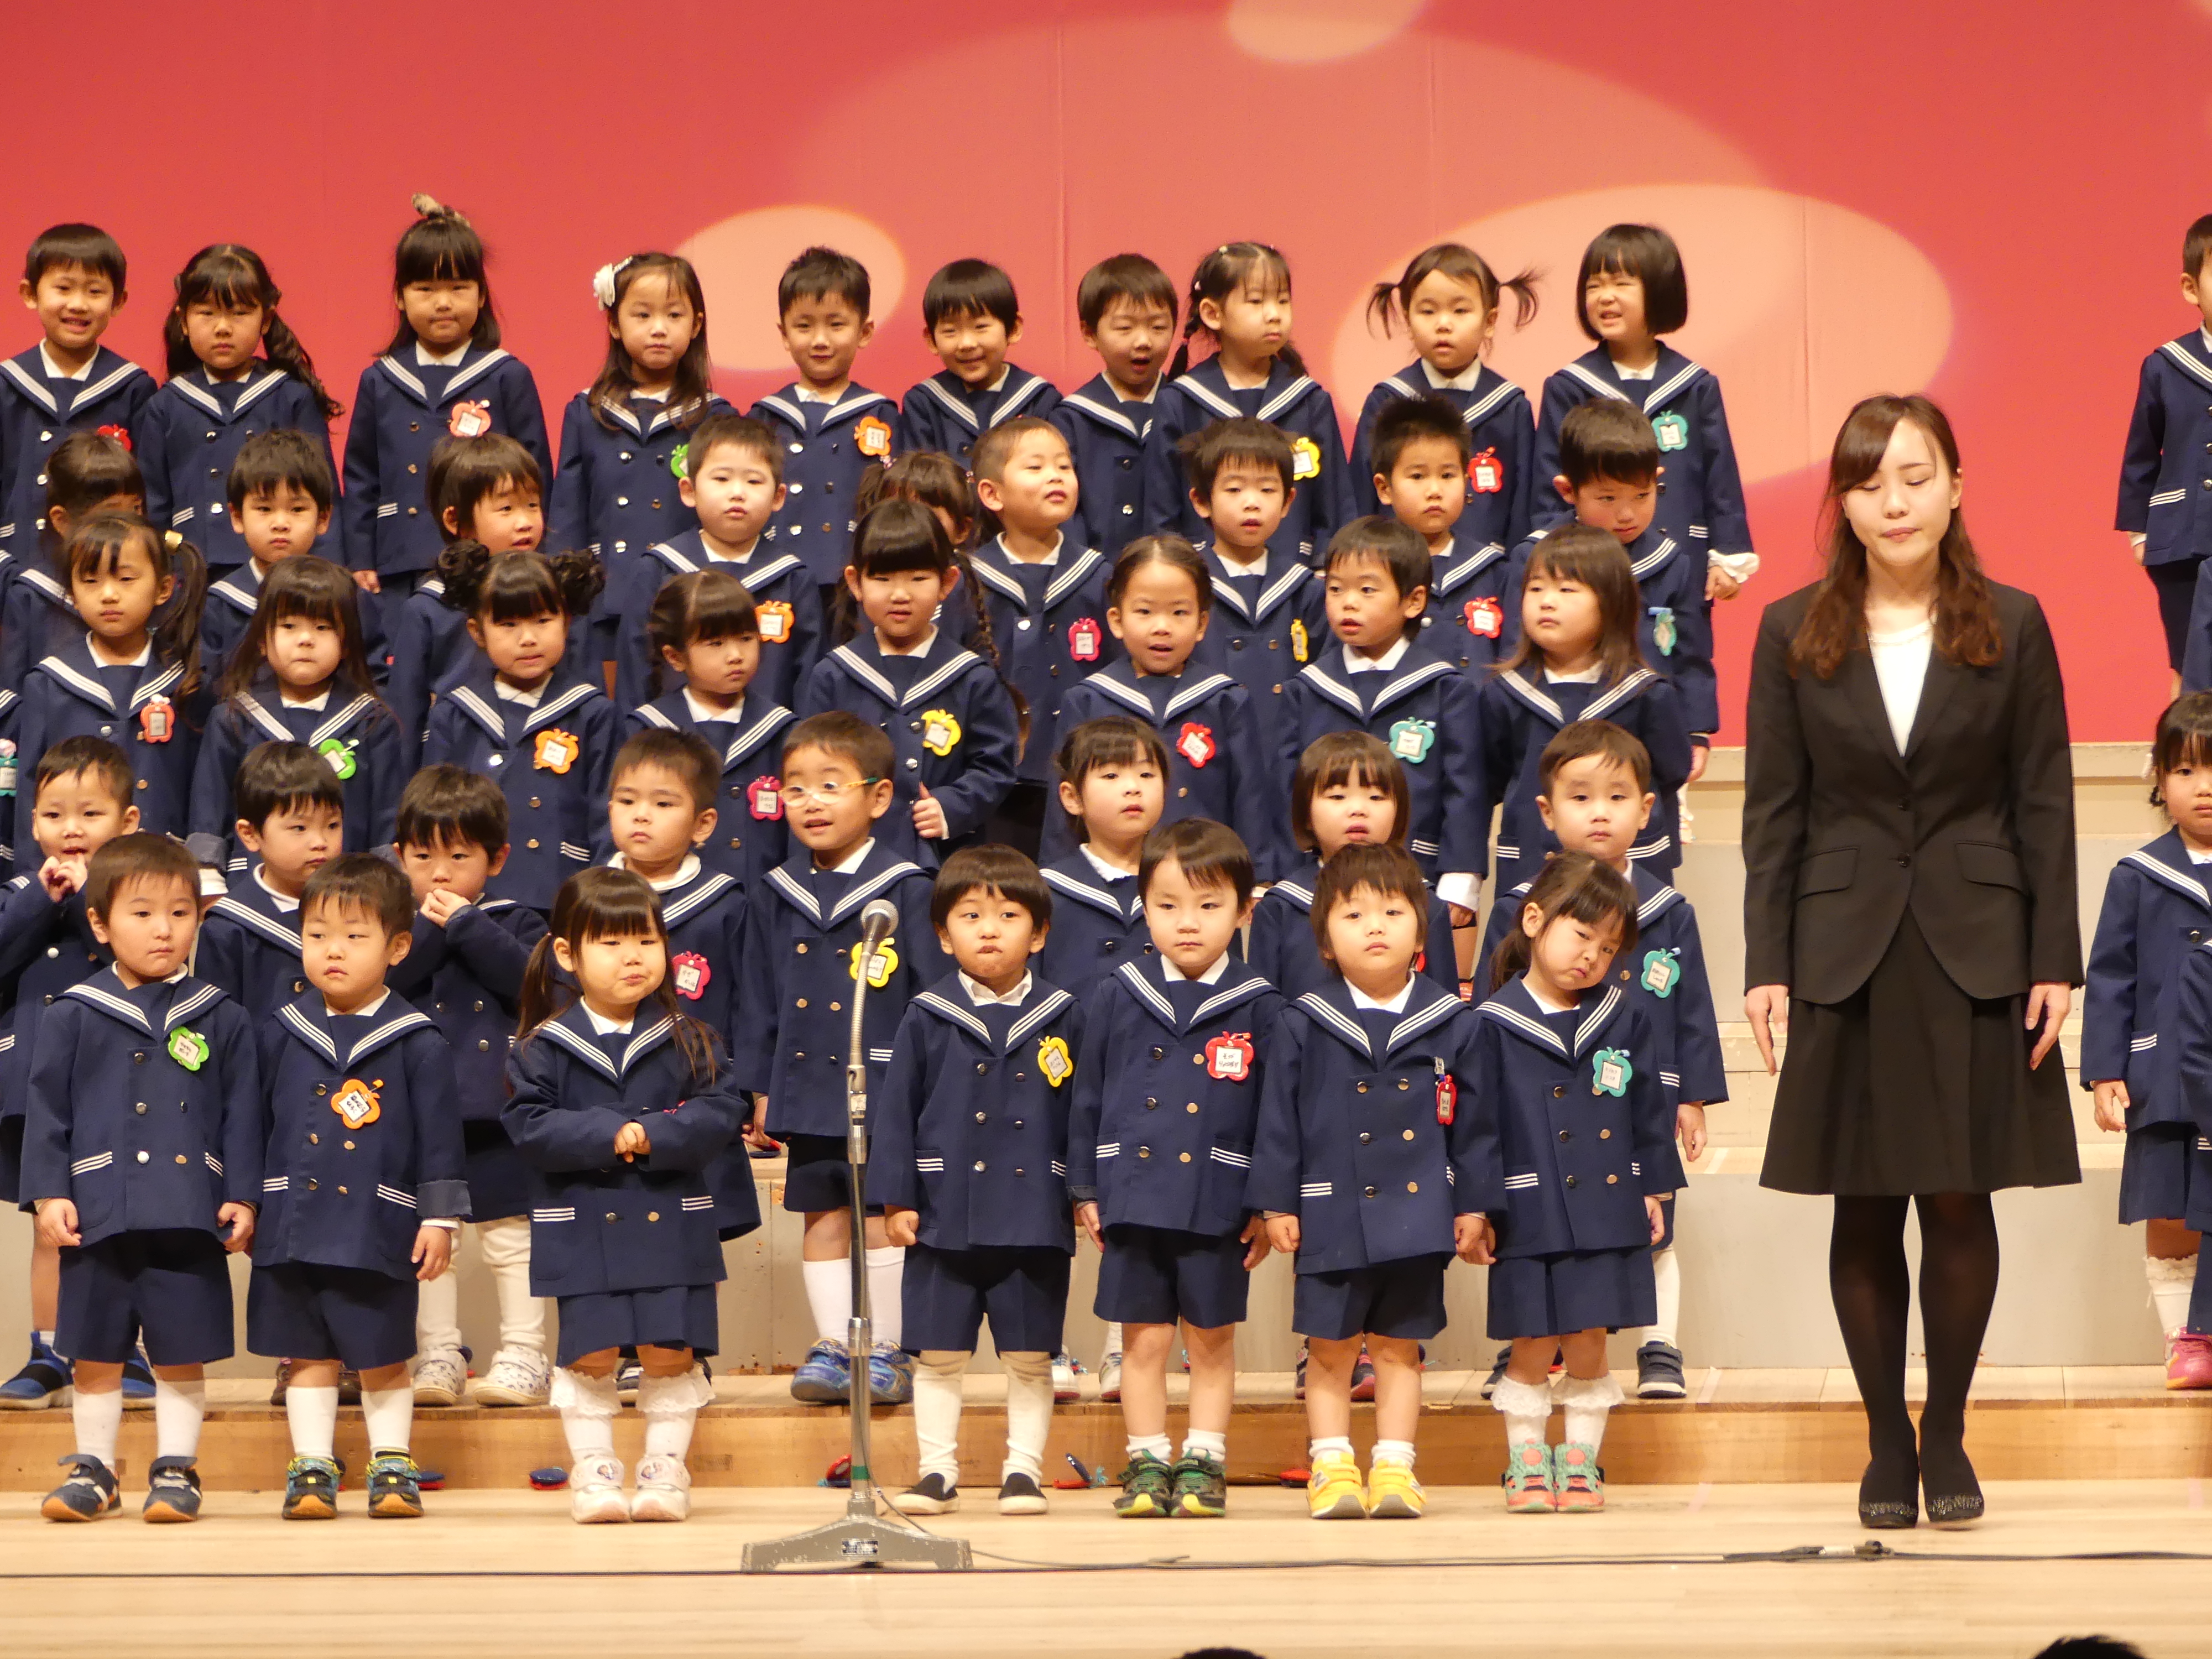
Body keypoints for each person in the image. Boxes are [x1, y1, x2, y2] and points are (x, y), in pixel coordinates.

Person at [1743, 393, 2079, 1530]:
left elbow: (2042, 801)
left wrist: (2053, 956)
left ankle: (1946, 1433)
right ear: (1841, 502)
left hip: (1976, 943)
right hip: (1842, 947)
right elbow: (1773, 814)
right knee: (1862, 1201)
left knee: (1959, 1197)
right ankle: (1885, 1437)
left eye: (1915, 476)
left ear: (1955, 488)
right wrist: (1767, 961)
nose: (1893, 501)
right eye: (1868, 481)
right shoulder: (1790, 630)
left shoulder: (2014, 623)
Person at [1478, 721, 1724, 1401]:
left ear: (1646, 811)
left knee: (1650, 1221)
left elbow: (1692, 1009)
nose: (1598, 813)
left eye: (1616, 798)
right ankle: (1529, 1349)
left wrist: (1692, 1096)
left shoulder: (1668, 910)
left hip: (1633, 1099)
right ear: (1546, 810)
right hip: (1539, 1103)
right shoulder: (1520, 907)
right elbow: (1491, 1005)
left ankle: (1658, 1345)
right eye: (1580, 797)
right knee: (1540, 1229)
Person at [21, 833, 260, 1522]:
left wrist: (243, 1195)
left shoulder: (222, 1016)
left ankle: (177, 1469)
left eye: (180, 914)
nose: (164, 930)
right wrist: (50, 1193)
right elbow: (49, 1113)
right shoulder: (73, 1013)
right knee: (95, 1349)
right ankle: (95, 1470)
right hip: (99, 1209)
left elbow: (244, 1116)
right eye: (143, 913)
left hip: (188, 1211)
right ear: (100, 924)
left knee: (181, 1347)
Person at [1250, 842, 1485, 1521]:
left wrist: (1474, 1206)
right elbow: (1277, 1124)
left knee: (1398, 1349)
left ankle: (1394, 1469)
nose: (1374, 926)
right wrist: (1274, 1203)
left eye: (1392, 911)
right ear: (1325, 940)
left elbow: (1477, 1130)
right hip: (1330, 1212)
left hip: (1419, 1213)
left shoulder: (1452, 1021)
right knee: (1328, 1350)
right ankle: (1331, 1468)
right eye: (1353, 915)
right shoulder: (1303, 1021)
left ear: (1422, 930)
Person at [506, 867, 745, 1523]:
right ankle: (595, 1470)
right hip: (583, 1222)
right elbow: (530, 1126)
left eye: (645, 940)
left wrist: (656, 1134)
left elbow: (721, 1111)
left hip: (672, 1224)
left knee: (672, 1346)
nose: (632, 956)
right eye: (610, 943)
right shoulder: (541, 1046)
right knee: (592, 1350)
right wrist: (611, 1134)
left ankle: (665, 1470)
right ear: (567, 954)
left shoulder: (691, 1036)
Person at [1067, 818, 1278, 1519]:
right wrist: (1085, 1187)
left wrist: (1265, 1201)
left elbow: (1275, 1117)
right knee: (1144, 1339)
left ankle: (1204, 1460)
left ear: (1244, 911)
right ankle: (1148, 1459)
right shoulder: (1117, 991)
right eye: (1168, 905)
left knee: (1211, 1341)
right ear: (1143, 907)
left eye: (1209, 905)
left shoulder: (1260, 1004)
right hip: (1132, 1194)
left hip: (1218, 1197)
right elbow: (1087, 1098)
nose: (1188, 922)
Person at [870, 845, 1082, 1517]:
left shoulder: (1063, 1013)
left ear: (1039, 933)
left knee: (1030, 1354)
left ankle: (1023, 1471)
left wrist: (1082, 1192)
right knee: (938, 1355)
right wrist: (897, 1198)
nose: (989, 930)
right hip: (943, 1213)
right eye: (970, 916)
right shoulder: (926, 1013)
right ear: (943, 935)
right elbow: (896, 1113)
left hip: (1033, 1213)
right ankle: (937, 1472)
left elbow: (1083, 1114)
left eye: (1008, 916)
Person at [1465, 852, 1678, 1515]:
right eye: (1581, 935)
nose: (1592, 956)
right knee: (1531, 1341)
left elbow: (1648, 1114)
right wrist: (1475, 1206)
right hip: (1526, 1210)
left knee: (1590, 1338)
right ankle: (1527, 1462)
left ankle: (1581, 1461)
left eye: (1608, 948)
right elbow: (1475, 1129)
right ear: (1534, 920)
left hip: (1606, 1207)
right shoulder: (1490, 1024)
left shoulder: (1624, 1017)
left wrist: (1652, 1189)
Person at [736, 712, 940, 1407]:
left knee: (880, 1217)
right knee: (822, 1216)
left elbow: (929, 1000)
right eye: (795, 788)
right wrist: (760, 1088)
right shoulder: (774, 893)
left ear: (879, 798)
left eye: (830, 785)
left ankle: (884, 1349)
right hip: (807, 1085)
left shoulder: (908, 888)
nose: (811, 802)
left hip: (886, 1086)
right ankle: (834, 1347)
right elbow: (757, 998)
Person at [252, 853, 463, 1520]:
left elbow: (440, 1140)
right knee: (306, 1352)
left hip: (379, 1223)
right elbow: (251, 1125)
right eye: (317, 935)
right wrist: (246, 1202)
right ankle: (312, 1466)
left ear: (397, 947)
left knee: (383, 1352)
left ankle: (391, 1463)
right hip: (292, 1221)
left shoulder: (417, 1040)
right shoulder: (280, 1031)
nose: (333, 950)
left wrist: (439, 1219)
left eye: (353, 936)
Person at [389, 765, 550, 1408]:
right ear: (399, 856)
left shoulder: (519, 921)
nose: (440, 874)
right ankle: (439, 1352)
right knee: (435, 1240)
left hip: (501, 1110)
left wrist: (467, 925)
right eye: (423, 857)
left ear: (497, 859)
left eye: (459, 857)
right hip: (422, 1114)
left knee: (512, 1237)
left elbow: (532, 987)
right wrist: (433, 928)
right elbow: (390, 983)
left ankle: (526, 1352)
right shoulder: (395, 927)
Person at [0, 739, 137, 1411]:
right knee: (50, 1224)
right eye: (54, 814)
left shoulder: (132, 899)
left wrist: (92, 901)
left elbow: (142, 963)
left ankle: (125, 1350)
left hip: (118, 1087)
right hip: (36, 1088)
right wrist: (40, 900)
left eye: (90, 813)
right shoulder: (17, 893)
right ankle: (50, 1352)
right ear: (33, 822)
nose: (72, 828)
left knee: (126, 1223)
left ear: (128, 821)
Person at [340, 195, 547, 632]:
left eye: (458, 288)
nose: (443, 303)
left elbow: (537, 472)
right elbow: (361, 479)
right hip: (400, 561)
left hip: (489, 562)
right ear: (400, 297)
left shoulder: (507, 375)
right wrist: (360, 558)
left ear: (482, 294)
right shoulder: (380, 380)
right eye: (426, 289)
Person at [2083, 693, 2212, 1385]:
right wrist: (2106, 1072)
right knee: (2169, 1204)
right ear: (2159, 779)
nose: (2204, 787)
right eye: (2186, 771)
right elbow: (2111, 978)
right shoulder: (2137, 875)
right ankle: (2183, 1339)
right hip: (2161, 1076)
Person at [1531, 223, 1756, 604]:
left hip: (1681, 558)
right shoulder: (1569, 387)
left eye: (1621, 284)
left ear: (1660, 290)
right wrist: (1552, 556)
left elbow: (1720, 478)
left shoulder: (1695, 385)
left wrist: (1728, 555)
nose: (1605, 297)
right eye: (1594, 286)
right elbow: (1549, 485)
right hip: (1592, 569)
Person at [797, 499, 1020, 864]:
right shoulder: (834, 674)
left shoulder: (970, 676)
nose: (900, 595)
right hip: (850, 855)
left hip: (943, 858)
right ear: (855, 583)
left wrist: (951, 806)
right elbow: (811, 770)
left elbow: (995, 767)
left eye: (918, 579)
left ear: (947, 582)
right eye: (882, 579)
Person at [1280, 517, 1483, 905]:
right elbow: (1287, 790)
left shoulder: (1445, 688)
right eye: (1335, 589)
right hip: (1322, 882)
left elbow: (1464, 791)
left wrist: (1460, 881)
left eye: (1367, 589)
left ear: (1414, 601)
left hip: (1418, 878)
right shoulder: (1305, 690)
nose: (1348, 602)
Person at [1049, 536, 1279, 878]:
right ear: (1116, 620)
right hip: (1107, 880)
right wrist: (1057, 881)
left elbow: (1251, 806)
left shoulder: (1225, 699)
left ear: (1202, 624)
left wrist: (1259, 880)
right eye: (1144, 611)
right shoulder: (1087, 700)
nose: (1162, 627)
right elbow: (1062, 819)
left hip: (1205, 881)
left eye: (1179, 612)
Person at [1479, 524, 1689, 889]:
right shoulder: (1504, 692)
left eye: (1566, 590)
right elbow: (1491, 779)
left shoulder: (1646, 693)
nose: (1547, 601)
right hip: (1532, 865)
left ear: (1611, 604)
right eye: (1536, 588)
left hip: (1627, 869)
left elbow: (1672, 770)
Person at [1515, 398, 1719, 758]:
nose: (1627, 515)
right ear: (1568, 491)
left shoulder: (1673, 562)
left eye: (1642, 495)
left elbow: (1692, 656)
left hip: (1648, 731)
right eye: (1607, 498)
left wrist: (1696, 731)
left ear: (1657, 480)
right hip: (1554, 731)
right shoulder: (1534, 558)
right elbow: (1515, 653)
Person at [420, 546, 613, 913]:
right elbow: (433, 812)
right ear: (477, 631)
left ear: (567, 622)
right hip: (471, 899)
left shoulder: (592, 712)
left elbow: (605, 812)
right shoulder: (454, 713)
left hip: (564, 892)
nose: (528, 639)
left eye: (543, 620)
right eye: (508, 625)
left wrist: (600, 893)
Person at [13, 513, 207, 860]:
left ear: (164, 589)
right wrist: (33, 879)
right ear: (72, 594)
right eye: (90, 581)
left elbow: (204, 787)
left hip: (165, 868)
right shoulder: (48, 682)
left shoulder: (187, 679)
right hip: (72, 870)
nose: (108, 595)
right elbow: (30, 788)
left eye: (126, 579)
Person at [190, 555, 401, 875]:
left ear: (346, 644)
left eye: (323, 627)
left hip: (347, 890)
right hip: (252, 887)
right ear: (262, 640)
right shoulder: (234, 718)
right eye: (289, 626)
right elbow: (209, 813)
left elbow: (387, 822)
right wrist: (209, 882)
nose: (305, 639)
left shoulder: (372, 721)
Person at [138, 244, 341, 574]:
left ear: (266, 319)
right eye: (207, 313)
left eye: (239, 313)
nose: (222, 328)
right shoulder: (165, 405)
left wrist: (326, 572)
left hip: (281, 571)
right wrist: (165, 570)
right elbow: (153, 505)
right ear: (183, 320)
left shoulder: (290, 397)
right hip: (192, 571)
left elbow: (323, 494)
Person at [1143, 243, 1352, 561]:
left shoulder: (1309, 401)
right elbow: (1161, 516)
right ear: (1213, 314)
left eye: (1283, 301)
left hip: (1294, 578)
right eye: (1256, 301)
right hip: (1203, 579)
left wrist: (1324, 571)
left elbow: (1335, 512)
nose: (1274, 314)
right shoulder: (1180, 402)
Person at [968, 416, 1115, 853]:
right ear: (992, 494)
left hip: (1078, 773)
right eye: (1035, 467)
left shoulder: (1099, 577)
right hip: (991, 778)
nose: (1055, 476)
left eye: (1064, 466)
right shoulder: (969, 579)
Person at [608, 413, 820, 712]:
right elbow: (635, 675)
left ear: (778, 496)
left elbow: (807, 682)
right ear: (689, 491)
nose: (737, 493)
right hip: (672, 735)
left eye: (754, 481)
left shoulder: (793, 578)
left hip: (771, 735)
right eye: (721, 479)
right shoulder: (658, 571)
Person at [1353, 242, 1540, 549]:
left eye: (1460, 310)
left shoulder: (1510, 406)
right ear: (1408, 321)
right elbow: (1360, 502)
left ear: (1490, 322)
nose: (1443, 324)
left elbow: (1523, 508)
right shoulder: (1387, 401)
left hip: (1489, 568)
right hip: (1398, 564)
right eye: (1428, 311)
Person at [549, 251, 725, 574]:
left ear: (696, 325)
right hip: (605, 586)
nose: (659, 329)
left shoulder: (715, 416)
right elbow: (567, 514)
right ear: (615, 324)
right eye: (643, 315)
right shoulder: (588, 412)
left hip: (686, 588)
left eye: (674, 315)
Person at [1249, 732, 1457, 1003]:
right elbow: (1263, 1013)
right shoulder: (1281, 908)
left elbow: (1445, 1010)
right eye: (1338, 797)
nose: (1358, 809)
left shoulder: (1425, 902)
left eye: (1376, 797)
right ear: (1306, 813)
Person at [625, 569, 795, 894]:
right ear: (675, 657)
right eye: (715, 643)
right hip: (672, 901)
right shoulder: (648, 729)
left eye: (746, 639)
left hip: (764, 899)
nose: (736, 656)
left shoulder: (783, 730)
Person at [0, 224, 155, 574]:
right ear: (29, 294)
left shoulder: (132, 388)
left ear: (118, 302)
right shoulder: (7, 384)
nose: (78, 305)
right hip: (14, 564)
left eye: (95, 291)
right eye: (63, 288)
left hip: (105, 569)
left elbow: (144, 495)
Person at [385, 435, 548, 768]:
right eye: (506, 509)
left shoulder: (551, 597)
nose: (525, 522)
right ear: (455, 521)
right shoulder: (429, 606)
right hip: (457, 765)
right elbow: (406, 714)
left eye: (532, 505)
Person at [749, 247, 895, 599]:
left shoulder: (881, 413)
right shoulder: (765, 416)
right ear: (784, 334)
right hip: (776, 576)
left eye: (836, 324)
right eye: (804, 326)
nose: (820, 340)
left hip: (857, 579)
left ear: (865, 331)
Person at [1182, 418, 1323, 762]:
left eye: (1267, 490)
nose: (1252, 503)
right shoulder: (1186, 585)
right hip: (1206, 757)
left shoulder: (1305, 589)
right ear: (1201, 501)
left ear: (1288, 502)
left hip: (1289, 758)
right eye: (1234, 489)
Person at [2119, 214, 2212, 682]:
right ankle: (2185, 736)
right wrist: (2140, 534)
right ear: (2191, 288)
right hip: (2182, 541)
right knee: (2190, 667)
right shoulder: (2165, 366)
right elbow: (2141, 455)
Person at [195, 742, 343, 1020]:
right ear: (250, 835)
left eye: (333, 825)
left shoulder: (359, 910)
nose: (321, 842)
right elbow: (217, 1028)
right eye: (299, 828)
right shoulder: (228, 928)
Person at [1369, 395, 1510, 678]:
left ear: (1466, 483)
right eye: (1418, 476)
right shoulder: (1370, 567)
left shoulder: (1493, 570)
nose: (1435, 491)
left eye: (1447, 476)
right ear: (1384, 488)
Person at [1, 430, 145, 692]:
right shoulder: (31, 595)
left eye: (136, 508)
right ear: (63, 522)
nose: (130, 525)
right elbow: (11, 693)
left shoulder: (151, 586)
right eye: (112, 513)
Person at [1051, 254, 1177, 552]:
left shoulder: (1187, 407)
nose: (1144, 341)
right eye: (1124, 328)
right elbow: (1064, 511)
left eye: (1158, 327)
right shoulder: (1070, 420)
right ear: (1090, 334)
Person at [196, 430, 345, 681]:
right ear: (237, 517)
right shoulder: (219, 606)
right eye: (264, 509)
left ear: (323, 518)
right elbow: (204, 690)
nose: (280, 523)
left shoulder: (347, 599)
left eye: (297, 509)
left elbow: (369, 682)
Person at [895, 260, 1058, 467]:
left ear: (1014, 328)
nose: (967, 344)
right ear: (931, 340)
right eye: (950, 331)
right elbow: (916, 480)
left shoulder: (1041, 399)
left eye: (980, 327)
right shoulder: (923, 404)